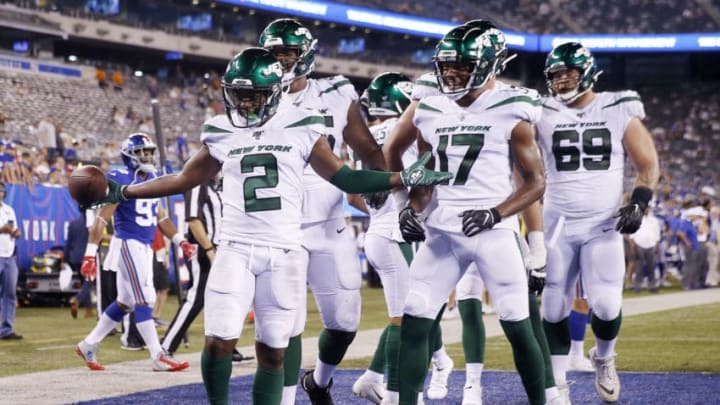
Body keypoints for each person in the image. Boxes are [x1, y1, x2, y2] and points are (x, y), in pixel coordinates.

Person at [89, 48, 450, 404]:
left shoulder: (302, 123)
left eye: (254, 95)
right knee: (218, 340)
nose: (245, 104)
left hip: (284, 252)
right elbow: (183, 179)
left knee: (274, 351)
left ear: (274, 93)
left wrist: (400, 178)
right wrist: (123, 190)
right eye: (239, 95)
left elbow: (345, 179)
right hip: (235, 248)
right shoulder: (221, 130)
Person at [387, 21, 560, 405]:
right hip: (443, 229)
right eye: (447, 65)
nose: (451, 72)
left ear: (490, 65)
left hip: (493, 232)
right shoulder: (429, 107)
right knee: (415, 318)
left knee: (518, 324)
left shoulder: (513, 106)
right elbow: (428, 172)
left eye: (462, 66)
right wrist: (410, 208)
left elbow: (535, 182)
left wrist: (495, 214)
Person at [258, 19, 394, 405]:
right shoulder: (254, 97)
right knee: (287, 324)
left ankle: (318, 381)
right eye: (274, 55)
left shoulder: (334, 93)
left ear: (304, 56)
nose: (281, 62)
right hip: (281, 228)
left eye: (287, 54)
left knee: (345, 321)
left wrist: (382, 189)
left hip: (331, 222)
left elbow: (367, 148)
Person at [537, 42, 660, 403]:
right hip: (557, 221)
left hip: (602, 223)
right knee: (553, 306)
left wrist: (639, 202)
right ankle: (557, 380)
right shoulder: (540, 111)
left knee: (606, 305)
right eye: (555, 75)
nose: (561, 81)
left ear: (587, 72)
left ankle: (604, 357)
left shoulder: (618, 106)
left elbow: (647, 163)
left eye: (568, 74)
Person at [74, 132, 196, 372]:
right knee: (144, 300)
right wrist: (89, 254)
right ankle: (157, 355)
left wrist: (181, 241)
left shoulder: (151, 178)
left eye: (150, 152)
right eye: (142, 152)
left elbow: (161, 217)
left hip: (144, 246)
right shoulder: (120, 179)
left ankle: (89, 344)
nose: (148, 156)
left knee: (125, 302)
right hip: (129, 243)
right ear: (129, 155)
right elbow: (101, 219)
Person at [348, 72, 428, 404]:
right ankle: (397, 394)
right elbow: (417, 178)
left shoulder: (365, 137)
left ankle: (372, 378)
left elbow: (353, 195)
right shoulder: (402, 131)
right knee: (407, 320)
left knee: (406, 315)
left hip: (379, 232)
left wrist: (381, 214)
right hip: (397, 235)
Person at [162, 174, 251, 362]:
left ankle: (226, 345)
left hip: (220, 248)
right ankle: (166, 346)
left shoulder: (214, 184)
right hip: (202, 248)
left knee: (225, 297)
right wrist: (209, 249)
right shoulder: (197, 182)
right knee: (196, 297)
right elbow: (193, 219)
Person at [0, 181, 22, 340]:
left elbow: (15, 229)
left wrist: (16, 232)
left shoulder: (9, 210)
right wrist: (2, 229)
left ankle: (7, 328)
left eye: (2, 189)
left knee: (10, 293)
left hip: (9, 255)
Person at [66, 207, 94, 319]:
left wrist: (65, 260)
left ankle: (88, 309)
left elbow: (68, 243)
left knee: (85, 283)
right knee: (89, 282)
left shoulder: (73, 224)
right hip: (88, 255)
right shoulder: (93, 223)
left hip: (76, 258)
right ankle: (77, 299)